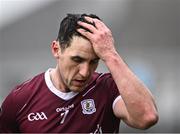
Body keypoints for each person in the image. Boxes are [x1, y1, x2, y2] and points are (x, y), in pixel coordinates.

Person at [0, 13, 158, 133]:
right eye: (77, 59)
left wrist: (110, 54)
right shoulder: (20, 100)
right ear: (56, 49)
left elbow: (147, 117)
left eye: (94, 61)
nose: (84, 72)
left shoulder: (108, 87)